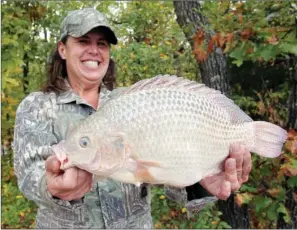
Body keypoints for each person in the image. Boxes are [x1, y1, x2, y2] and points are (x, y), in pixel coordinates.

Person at [13, 8, 252, 229]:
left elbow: (167, 167)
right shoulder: (37, 107)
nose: (94, 50)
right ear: (62, 49)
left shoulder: (134, 103)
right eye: (83, 41)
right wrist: (50, 186)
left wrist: (201, 180)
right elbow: (27, 176)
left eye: (102, 44)